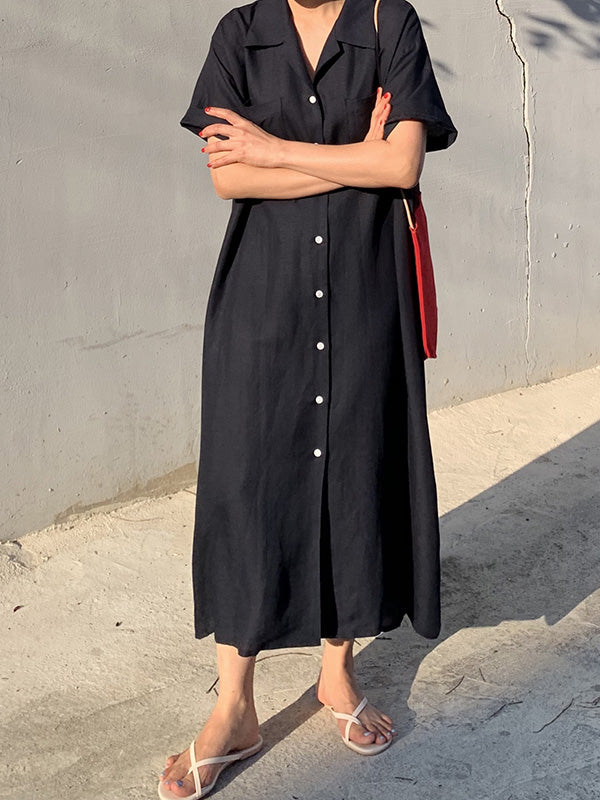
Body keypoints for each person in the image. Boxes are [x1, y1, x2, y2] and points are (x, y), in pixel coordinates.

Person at [160, 0, 457, 796]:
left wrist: (274, 149)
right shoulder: (239, 34)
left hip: (365, 293)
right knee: (247, 485)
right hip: (263, 300)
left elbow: (403, 166)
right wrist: (355, 155)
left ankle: (336, 674)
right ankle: (235, 707)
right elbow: (228, 178)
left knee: (353, 472)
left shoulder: (390, 23)